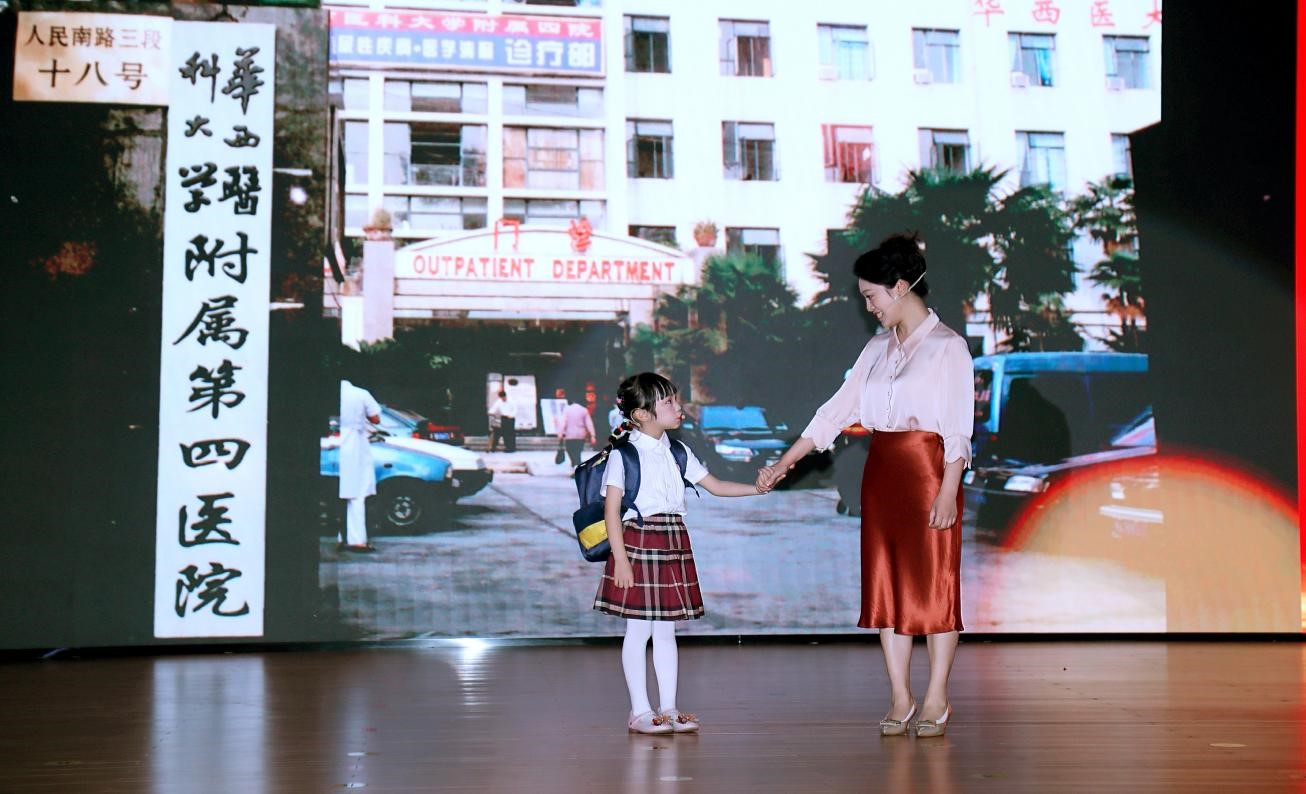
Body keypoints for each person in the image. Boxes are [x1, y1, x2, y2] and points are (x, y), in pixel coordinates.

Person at [758, 233, 974, 739]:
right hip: (882, 475)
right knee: (886, 587)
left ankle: (937, 695)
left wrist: (948, 490)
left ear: (899, 287)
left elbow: (958, 429)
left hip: (930, 474)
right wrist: (784, 462)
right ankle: (900, 695)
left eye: (872, 296)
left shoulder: (949, 347)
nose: (869, 307)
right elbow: (835, 412)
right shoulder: (876, 348)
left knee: (935, 586)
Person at [594, 372, 765, 734]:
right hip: (639, 541)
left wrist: (757, 488)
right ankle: (640, 711)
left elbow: (715, 486)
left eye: (676, 399)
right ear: (641, 414)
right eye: (668, 401)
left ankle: (668, 708)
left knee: (666, 631)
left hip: (673, 540)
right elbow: (611, 512)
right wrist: (621, 559)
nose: (678, 407)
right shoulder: (624, 455)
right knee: (638, 630)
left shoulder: (678, 451)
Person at [339, 378, 381, 553]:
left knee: (337, 493)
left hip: (332, 443)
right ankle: (356, 539)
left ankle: (341, 537)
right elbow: (375, 418)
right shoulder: (360, 393)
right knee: (356, 494)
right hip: (353, 443)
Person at [557, 388, 596, 467]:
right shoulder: (584, 410)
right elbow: (589, 424)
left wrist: (560, 433)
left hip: (570, 435)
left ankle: (574, 463)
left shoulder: (567, 410)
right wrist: (592, 435)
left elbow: (563, 423)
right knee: (578, 451)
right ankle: (576, 463)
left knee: (570, 450)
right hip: (581, 435)